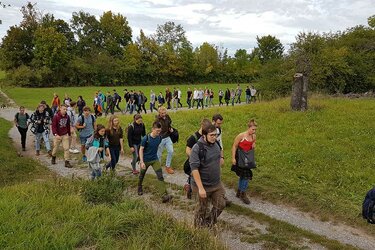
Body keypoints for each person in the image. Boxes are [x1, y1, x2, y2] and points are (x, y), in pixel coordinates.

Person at [189, 124, 226, 227]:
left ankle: (209, 222)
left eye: (216, 135)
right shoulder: (197, 148)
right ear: (204, 135)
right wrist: (201, 188)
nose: (214, 137)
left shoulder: (216, 144)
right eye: (212, 135)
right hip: (202, 185)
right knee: (202, 209)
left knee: (221, 204)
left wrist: (222, 158)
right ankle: (197, 229)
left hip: (216, 184)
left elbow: (218, 156)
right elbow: (194, 169)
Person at [138, 121, 173, 203]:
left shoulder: (159, 138)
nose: (158, 132)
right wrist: (142, 161)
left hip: (154, 160)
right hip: (145, 160)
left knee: (160, 176)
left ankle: (164, 195)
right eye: (157, 131)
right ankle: (139, 186)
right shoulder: (145, 139)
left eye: (159, 131)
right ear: (152, 129)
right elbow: (141, 149)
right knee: (142, 175)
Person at [231, 119, 257, 204]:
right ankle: (243, 193)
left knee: (244, 175)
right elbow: (234, 146)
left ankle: (239, 191)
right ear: (248, 128)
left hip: (247, 158)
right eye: (253, 129)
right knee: (246, 175)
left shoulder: (254, 136)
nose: (254, 131)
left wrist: (253, 145)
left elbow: (252, 146)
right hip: (240, 157)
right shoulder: (241, 136)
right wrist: (233, 158)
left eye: (255, 129)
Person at [184, 118, 211, 199]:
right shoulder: (193, 138)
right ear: (202, 126)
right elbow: (187, 150)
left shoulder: (206, 136)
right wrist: (195, 158)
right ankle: (191, 189)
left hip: (204, 163)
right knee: (195, 177)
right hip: (193, 164)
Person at [51, 104, 72, 168]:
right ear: (60, 109)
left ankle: (67, 162)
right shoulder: (56, 117)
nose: (65, 110)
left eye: (66, 109)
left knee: (66, 148)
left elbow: (68, 126)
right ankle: (53, 157)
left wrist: (69, 134)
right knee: (55, 148)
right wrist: (55, 134)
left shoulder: (67, 117)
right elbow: (53, 127)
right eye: (64, 109)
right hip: (58, 135)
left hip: (65, 134)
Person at [156, 106, 175, 174]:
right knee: (159, 154)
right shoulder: (157, 120)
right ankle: (158, 168)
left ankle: (168, 166)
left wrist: (170, 128)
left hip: (167, 137)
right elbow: (155, 129)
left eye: (164, 113)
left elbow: (169, 122)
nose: (164, 115)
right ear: (159, 113)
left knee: (171, 151)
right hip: (160, 138)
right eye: (162, 113)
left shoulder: (167, 116)